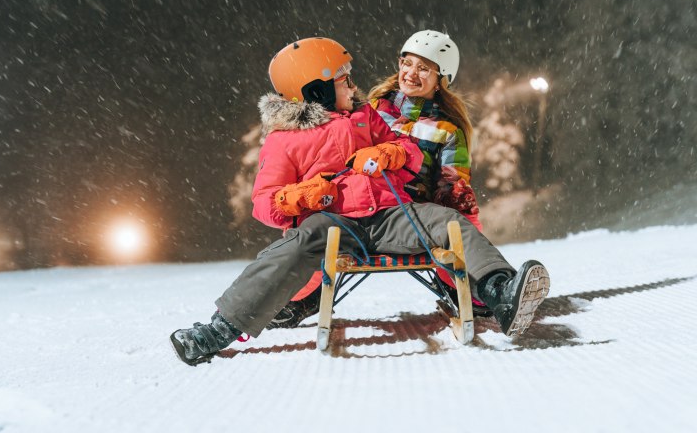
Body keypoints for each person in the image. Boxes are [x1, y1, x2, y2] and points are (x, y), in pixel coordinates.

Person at [170, 37, 550, 366]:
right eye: (344, 80)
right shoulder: (283, 140)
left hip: (389, 217)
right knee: (298, 243)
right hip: (333, 223)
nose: (354, 87)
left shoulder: (364, 116)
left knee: (448, 223)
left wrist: (389, 153)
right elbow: (265, 203)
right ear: (316, 90)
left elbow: (407, 149)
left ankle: (500, 291)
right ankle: (220, 328)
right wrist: (298, 196)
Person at [268, 30, 489, 329]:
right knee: (315, 233)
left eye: (424, 68)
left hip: (412, 220)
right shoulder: (370, 109)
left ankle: (478, 288)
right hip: (356, 209)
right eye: (406, 63)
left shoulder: (446, 130)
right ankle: (298, 297)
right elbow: (329, 151)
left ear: (441, 79)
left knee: (451, 224)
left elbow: (454, 189)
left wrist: (469, 266)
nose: (411, 73)